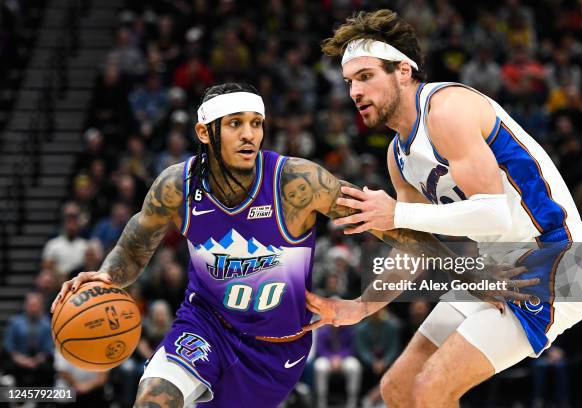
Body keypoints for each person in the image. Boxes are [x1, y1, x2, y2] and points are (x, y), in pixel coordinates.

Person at [52, 82, 508, 407]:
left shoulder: (298, 183)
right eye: (235, 124)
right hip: (205, 325)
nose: (250, 133)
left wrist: (471, 276)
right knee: (154, 400)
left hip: (276, 348)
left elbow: (406, 237)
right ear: (205, 133)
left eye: (256, 123)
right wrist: (107, 276)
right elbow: (135, 244)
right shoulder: (177, 185)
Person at [306, 9, 582, 408]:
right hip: (498, 266)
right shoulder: (399, 155)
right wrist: (360, 307)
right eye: (349, 82)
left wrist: (396, 214)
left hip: (560, 262)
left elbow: (493, 213)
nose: (355, 92)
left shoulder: (447, 109)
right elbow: (411, 247)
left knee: (431, 389)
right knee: (398, 389)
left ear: (404, 71)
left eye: (366, 77)